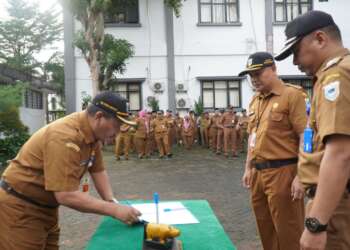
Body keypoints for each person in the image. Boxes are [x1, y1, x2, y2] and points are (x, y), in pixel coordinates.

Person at [0, 92, 141, 249]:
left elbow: (98, 170)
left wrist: (111, 200)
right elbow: (66, 195)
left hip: (47, 209)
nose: (118, 132)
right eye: (116, 125)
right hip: (20, 207)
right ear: (99, 116)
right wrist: (114, 210)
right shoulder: (65, 137)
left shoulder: (92, 135)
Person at [275, 10, 350, 250]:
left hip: (336, 205)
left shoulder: (336, 76)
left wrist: (316, 224)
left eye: (296, 52)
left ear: (320, 39)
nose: (295, 62)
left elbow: (340, 154)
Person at [240, 52, 307, 250]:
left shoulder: (293, 95)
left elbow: (306, 136)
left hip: (283, 173)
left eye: (258, 73)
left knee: (289, 233)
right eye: (250, 75)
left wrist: (302, 174)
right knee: (266, 231)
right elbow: (253, 137)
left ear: (274, 69)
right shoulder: (255, 101)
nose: (254, 79)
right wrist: (248, 167)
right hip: (258, 174)